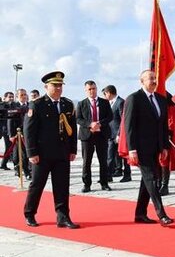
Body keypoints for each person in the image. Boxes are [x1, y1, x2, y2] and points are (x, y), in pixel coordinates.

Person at [23, 71, 79, 229]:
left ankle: (63, 216)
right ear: (46, 86)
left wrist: (73, 149)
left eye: (61, 85)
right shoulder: (37, 104)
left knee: (62, 185)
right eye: (55, 85)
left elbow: (72, 129)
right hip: (42, 154)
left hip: (62, 153)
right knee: (37, 185)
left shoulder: (67, 104)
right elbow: (29, 131)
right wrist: (32, 153)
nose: (59, 88)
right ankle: (29, 213)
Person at [123, 70, 173, 226]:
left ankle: (140, 213)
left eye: (155, 78)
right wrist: (132, 150)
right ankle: (161, 214)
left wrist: (164, 146)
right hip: (140, 147)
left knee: (148, 180)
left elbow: (163, 125)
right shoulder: (134, 99)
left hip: (156, 147)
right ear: (141, 81)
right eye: (150, 78)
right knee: (151, 178)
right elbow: (129, 126)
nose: (154, 81)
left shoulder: (161, 99)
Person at [76, 80, 113, 192]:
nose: (92, 91)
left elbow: (110, 116)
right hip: (87, 136)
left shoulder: (104, 102)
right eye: (89, 89)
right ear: (86, 90)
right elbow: (78, 118)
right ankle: (87, 184)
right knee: (87, 161)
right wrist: (90, 124)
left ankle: (104, 183)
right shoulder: (81, 104)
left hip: (101, 135)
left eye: (94, 88)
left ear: (96, 89)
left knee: (103, 160)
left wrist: (99, 124)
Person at [102, 85, 130, 183]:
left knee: (124, 155)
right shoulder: (109, 103)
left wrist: (119, 134)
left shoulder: (120, 102)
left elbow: (123, 119)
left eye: (105, 94)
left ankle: (127, 175)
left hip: (120, 134)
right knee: (110, 155)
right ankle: (108, 176)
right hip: (110, 134)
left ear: (109, 93)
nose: (105, 96)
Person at [7, 89, 31, 179]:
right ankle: (17, 169)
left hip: (27, 134)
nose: (24, 96)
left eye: (25, 94)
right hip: (17, 133)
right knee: (16, 153)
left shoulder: (30, 106)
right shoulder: (13, 106)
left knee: (26, 153)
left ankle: (26, 171)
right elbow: (10, 121)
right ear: (17, 96)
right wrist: (11, 135)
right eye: (21, 95)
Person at [1, 91, 15, 170]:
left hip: (13, 130)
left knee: (11, 147)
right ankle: (4, 163)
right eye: (9, 97)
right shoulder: (2, 105)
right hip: (5, 130)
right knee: (9, 147)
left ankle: (4, 163)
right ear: (5, 98)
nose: (11, 98)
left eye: (12, 97)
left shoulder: (14, 105)